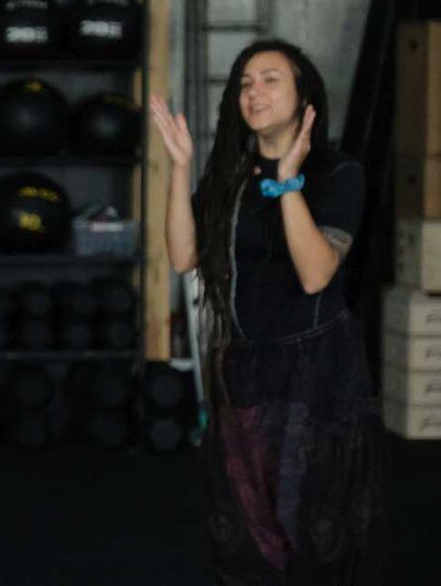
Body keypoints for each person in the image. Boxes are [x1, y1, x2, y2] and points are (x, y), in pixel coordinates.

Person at [150, 39, 386, 583]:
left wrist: (288, 182)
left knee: (317, 522)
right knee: (244, 521)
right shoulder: (232, 176)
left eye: (270, 79)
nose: (253, 92)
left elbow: (316, 273)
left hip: (316, 371)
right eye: (244, 83)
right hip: (243, 366)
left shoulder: (338, 173)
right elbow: (184, 255)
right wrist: (180, 169)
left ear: (305, 96)